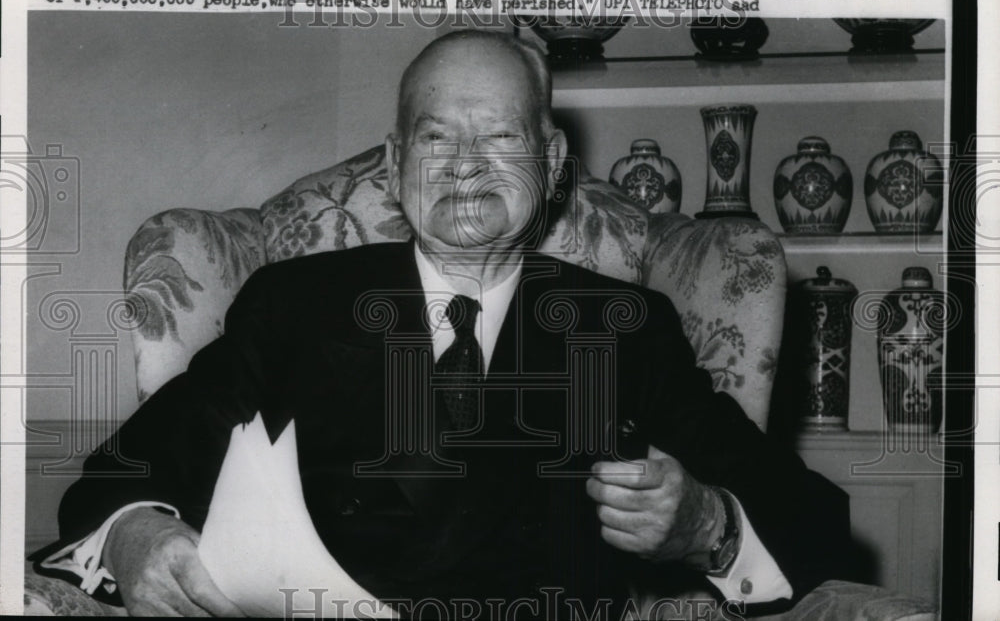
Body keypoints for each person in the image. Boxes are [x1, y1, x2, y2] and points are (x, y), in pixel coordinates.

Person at [36, 30, 852, 617]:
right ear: (394, 167)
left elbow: (813, 519)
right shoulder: (294, 306)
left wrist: (706, 524)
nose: (465, 166)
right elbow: (125, 471)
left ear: (553, 162)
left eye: (499, 136)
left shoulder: (626, 326)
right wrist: (136, 535)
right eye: (437, 139)